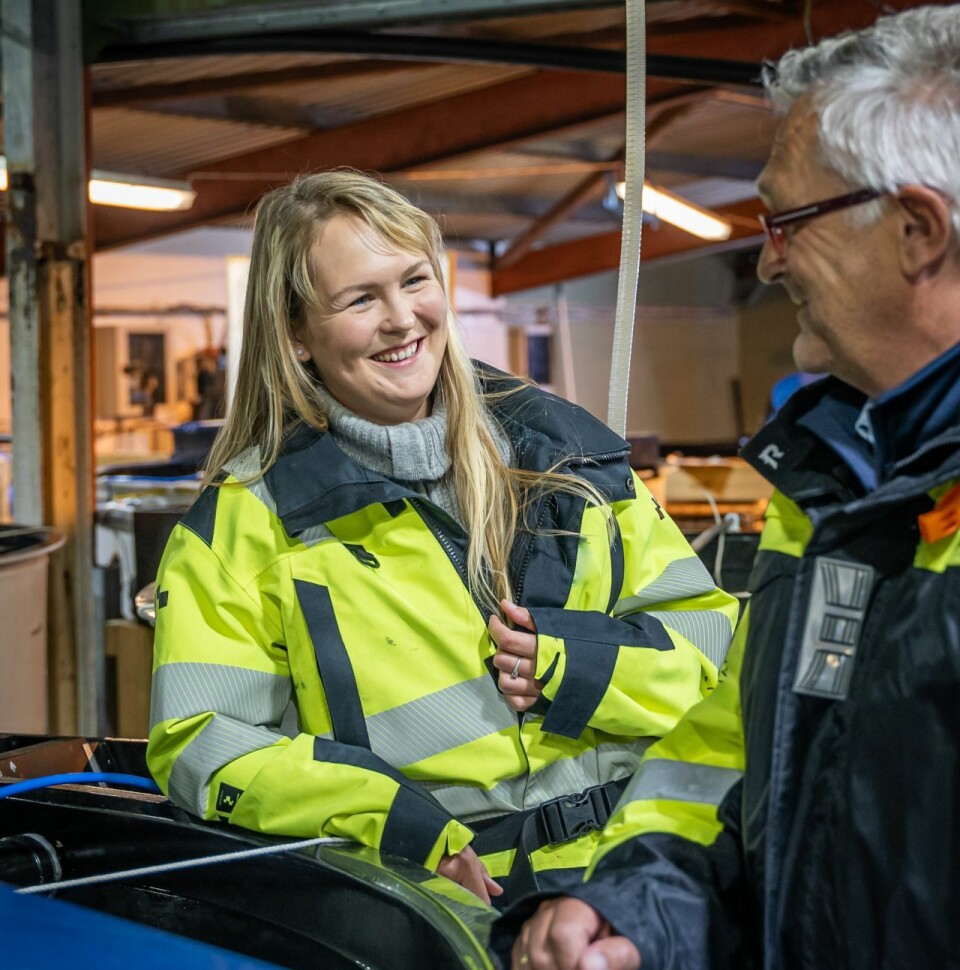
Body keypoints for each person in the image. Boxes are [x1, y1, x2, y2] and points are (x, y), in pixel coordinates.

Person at [504, 5, 960, 967]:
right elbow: (738, 764)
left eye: (790, 219)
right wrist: (638, 913)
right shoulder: (838, 491)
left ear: (919, 230)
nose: (766, 258)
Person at [146, 170, 739, 908]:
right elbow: (203, 742)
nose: (403, 319)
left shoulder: (568, 459)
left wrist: (582, 668)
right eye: (361, 298)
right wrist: (394, 824)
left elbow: (717, 645)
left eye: (415, 280)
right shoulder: (250, 521)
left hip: (639, 881)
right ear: (297, 333)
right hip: (450, 907)